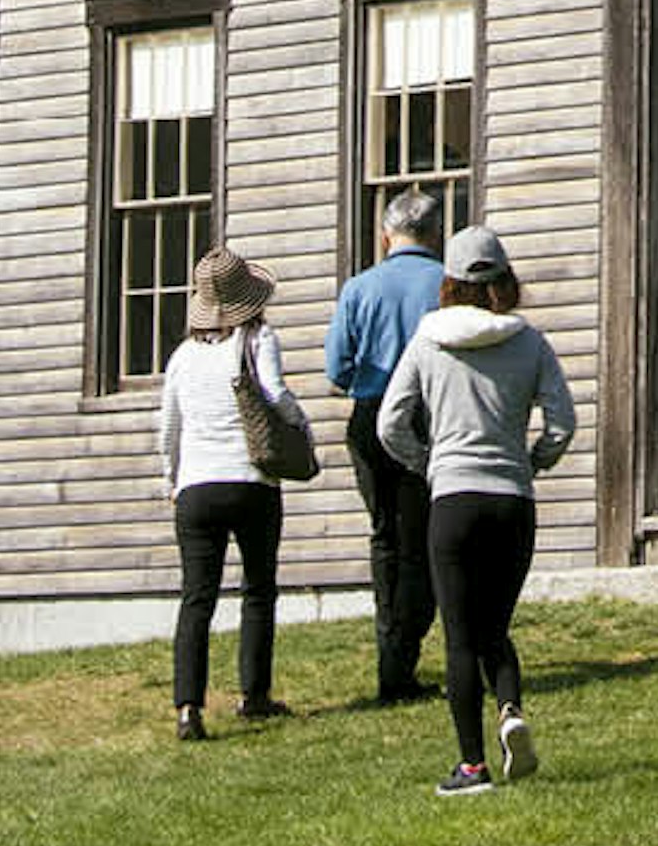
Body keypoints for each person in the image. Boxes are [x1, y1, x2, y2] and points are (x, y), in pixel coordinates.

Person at [374, 232, 578, 791]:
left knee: (460, 636)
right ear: (505, 282)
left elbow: (390, 422)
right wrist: (532, 461)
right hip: (512, 499)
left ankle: (472, 767)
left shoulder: (428, 339)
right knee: (495, 625)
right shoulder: (529, 341)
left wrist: (427, 463)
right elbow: (562, 421)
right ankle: (509, 709)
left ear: (451, 282)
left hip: (454, 499)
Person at [159, 243, 311, 741]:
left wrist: (172, 479)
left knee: (196, 598)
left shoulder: (182, 356)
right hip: (251, 479)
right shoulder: (257, 337)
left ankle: (188, 707)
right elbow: (275, 394)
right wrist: (302, 432)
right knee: (258, 590)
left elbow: (169, 430)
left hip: (196, 486)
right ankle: (254, 694)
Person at [324, 178, 450, 707]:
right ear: (435, 233)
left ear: (386, 236)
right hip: (426, 415)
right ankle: (401, 657)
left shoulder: (359, 288)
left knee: (384, 536)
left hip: (371, 415)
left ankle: (388, 650)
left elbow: (337, 368)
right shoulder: (448, 284)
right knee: (420, 543)